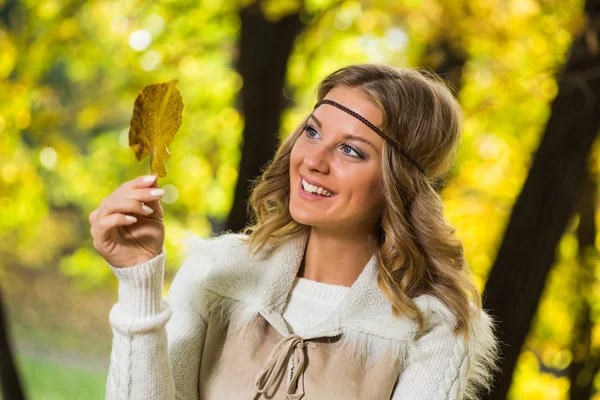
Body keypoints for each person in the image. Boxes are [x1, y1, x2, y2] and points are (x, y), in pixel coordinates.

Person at [90, 64, 500, 400]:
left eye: (351, 150)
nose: (313, 161)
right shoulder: (216, 276)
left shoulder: (432, 327)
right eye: (313, 132)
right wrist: (139, 279)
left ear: (398, 182)